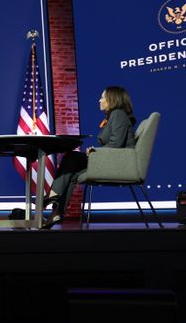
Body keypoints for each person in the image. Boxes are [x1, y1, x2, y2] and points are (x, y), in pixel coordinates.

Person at [42, 86, 137, 229]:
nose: (99, 100)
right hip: (111, 160)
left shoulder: (118, 114)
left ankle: (53, 197)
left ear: (113, 99)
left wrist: (96, 151)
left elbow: (116, 144)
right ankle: (56, 211)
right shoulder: (114, 116)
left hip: (118, 164)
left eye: (103, 97)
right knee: (72, 171)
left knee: (72, 157)